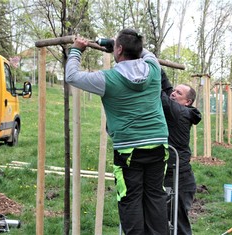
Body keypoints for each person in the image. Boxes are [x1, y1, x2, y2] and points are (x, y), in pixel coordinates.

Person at [65, 29, 169, 235]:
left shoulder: (108, 78)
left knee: (130, 198)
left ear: (119, 49)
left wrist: (77, 50)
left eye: (116, 46)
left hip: (129, 150)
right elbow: (145, 52)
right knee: (156, 196)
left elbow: (72, 76)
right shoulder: (154, 68)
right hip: (159, 144)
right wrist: (118, 42)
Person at [161, 69, 202, 235]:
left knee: (179, 224)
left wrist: (148, 67)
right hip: (172, 173)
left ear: (187, 102)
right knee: (168, 221)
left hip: (180, 179)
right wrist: (158, 68)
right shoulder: (179, 109)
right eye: (174, 90)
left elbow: (160, 94)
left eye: (179, 93)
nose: (173, 93)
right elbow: (166, 89)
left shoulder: (179, 112)